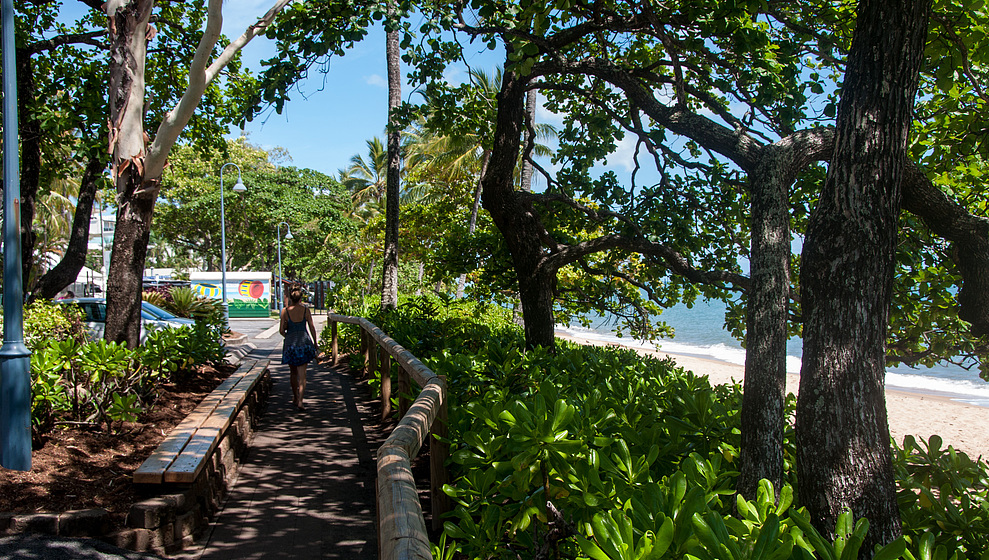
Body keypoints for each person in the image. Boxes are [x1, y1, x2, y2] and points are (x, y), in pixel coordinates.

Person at [279, 286, 319, 410]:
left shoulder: (285, 311)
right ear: (301, 298)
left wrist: (288, 335)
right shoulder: (306, 310)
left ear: (290, 297)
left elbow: (281, 330)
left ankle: (295, 396)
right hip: (303, 343)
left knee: (293, 373)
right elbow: (312, 327)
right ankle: (301, 400)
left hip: (291, 344)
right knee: (303, 375)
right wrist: (315, 342)